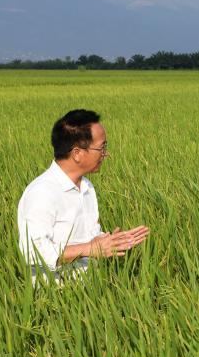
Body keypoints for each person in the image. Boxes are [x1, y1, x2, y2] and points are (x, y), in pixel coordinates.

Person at [17, 109, 148, 282]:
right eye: (101, 148)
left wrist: (112, 242)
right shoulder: (42, 193)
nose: (105, 154)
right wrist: (89, 248)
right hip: (54, 296)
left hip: (90, 290)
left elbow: (90, 238)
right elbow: (31, 252)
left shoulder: (86, 187)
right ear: (77, 153)